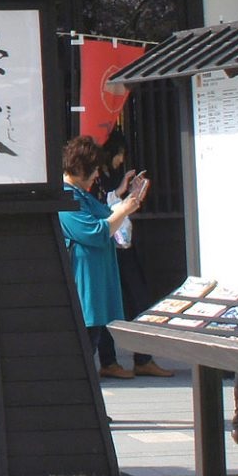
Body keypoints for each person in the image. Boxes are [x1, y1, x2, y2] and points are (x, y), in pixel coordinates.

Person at [59, 134, 149, 379]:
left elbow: (106, 213)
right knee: (85, 349)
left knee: (91, 343)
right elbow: (97, 232)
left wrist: (127, 200)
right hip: (84, 284)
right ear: (82, 169)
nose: (97, 175)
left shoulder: (79, 193)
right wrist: (125, 209)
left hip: (95, 282)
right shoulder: (66, 197)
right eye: (95, 169)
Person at [97, 129, 174, 379]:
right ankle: (109, 361)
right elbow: (97, 208)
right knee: (110, 306)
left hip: (123, 245)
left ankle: (143, 358)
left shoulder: (111, 175)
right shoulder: (96, 177)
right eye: (119, 154)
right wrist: (120, 192)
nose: (121, 160)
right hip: (108, 247)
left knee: (139, 301)